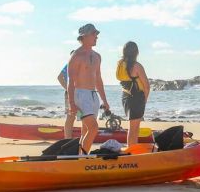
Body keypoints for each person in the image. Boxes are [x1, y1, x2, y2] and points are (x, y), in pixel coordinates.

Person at [67, 24, 110, 155]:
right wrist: (71, 103)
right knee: (93, 128)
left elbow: (99, 80)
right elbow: (71, 82)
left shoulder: (97, 56)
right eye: (94, 34)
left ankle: (79, 158)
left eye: (96, 34)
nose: (96, 37)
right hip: (80, 95)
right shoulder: (76, 56)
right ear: (84, 36)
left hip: (93, 95)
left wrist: (104, 100)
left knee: (85, 131)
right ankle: (83, 158)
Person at [116, 41, 151, 148]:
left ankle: (132, 149)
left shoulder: (120, 64)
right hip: (136, 97)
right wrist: (144, 100)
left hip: (125, 97)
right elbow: (147, 86)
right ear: (136, 52)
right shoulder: (137, 66)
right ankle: (131, 151)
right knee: (134, 127)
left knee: (133, 126)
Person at [57, 50, 76, 138]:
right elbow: (60, 77)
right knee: (70, 117)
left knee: (85, 117)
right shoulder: (69, 65)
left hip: (82, 92)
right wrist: (68, 89)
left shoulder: (83, 64)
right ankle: (67, 139)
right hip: (71, 93)